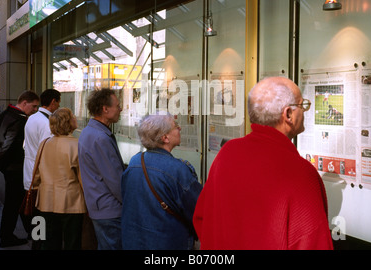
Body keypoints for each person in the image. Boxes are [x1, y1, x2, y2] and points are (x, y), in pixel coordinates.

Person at [193, 77, 333, 250]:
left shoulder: (227, 153)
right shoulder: (302, 174)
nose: (305, 111)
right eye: (302, 105)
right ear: (288, 114)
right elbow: (314, 243)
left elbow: (201, 218)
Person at [121, 114, 202, 250]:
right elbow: (199, 208)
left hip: (134, 240)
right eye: (176, 127)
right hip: (168, 242)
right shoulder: (178, 170)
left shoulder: (135, 162)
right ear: (165, 138)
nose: (180, 128)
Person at [0, 90, 40, 248]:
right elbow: (8, 144)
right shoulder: (20, 120)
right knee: (14, 204)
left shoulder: (6, 114)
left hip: (10, 167)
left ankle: (32, 232)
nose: (35, 110)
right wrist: (0, 162)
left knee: (19, 201)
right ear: (24, 103)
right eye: (34, 106)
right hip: (15, 168)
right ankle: (8, 237)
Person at [32, 108, 86, 250]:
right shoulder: (76, 145)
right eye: (73, 116)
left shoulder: (44, 143)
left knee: (48, 241)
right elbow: (83, 178)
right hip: (71, 201)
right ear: (69, 122)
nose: (76, 118)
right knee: (72, 242)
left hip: (46, 200)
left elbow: (36, 174)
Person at [78, 88, 125, 250]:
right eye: (117, 106)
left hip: (100, 206)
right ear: (105, 109)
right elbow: (114, 180)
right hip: (109, 210)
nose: (121, 109)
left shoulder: (90, 132)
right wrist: (129, 203)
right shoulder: (100, 138)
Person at [23, 89, 61, 191]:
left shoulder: (32, 118)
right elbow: (47, 153)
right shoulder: (46, 123)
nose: (59, 106)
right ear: (53, 102)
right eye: (58, 103)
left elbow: (25, 145)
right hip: (39, 177)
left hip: (29, 172)